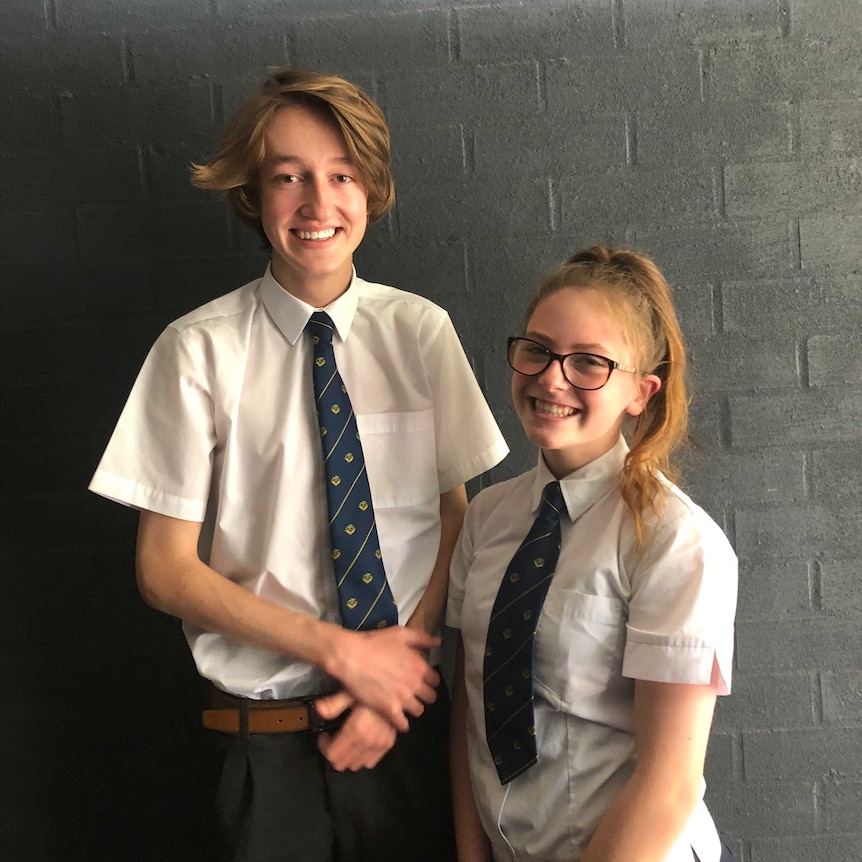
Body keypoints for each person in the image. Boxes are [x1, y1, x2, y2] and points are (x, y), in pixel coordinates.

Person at [89, 67, 508, 862]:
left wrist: (395, 685)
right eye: (290, 177)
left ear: (370, 188)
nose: (319, 205)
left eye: (342, 176)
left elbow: (456, 514)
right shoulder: (196, 352)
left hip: (408, 734)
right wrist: (339, 651)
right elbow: (163, 570)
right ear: (254, 194)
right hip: (259, 749)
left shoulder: (421, 332)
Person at [448, 245, 738, 862]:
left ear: (641, 392)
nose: (552, 378)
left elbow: (670, 784)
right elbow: (470, 704)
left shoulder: (675, 541)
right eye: (538, 349)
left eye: (589, 363)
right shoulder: (486, 519)